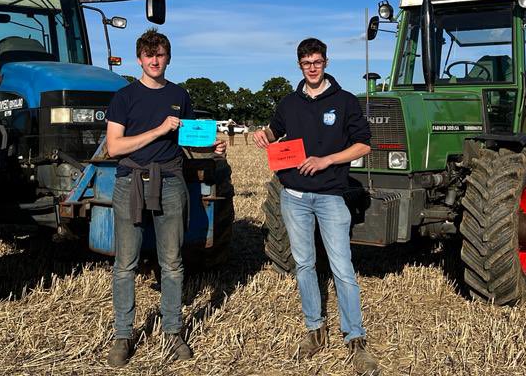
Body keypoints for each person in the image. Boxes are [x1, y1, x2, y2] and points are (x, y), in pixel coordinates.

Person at [252, 37, 378, 375]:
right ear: (299, 65)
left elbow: (364, 145)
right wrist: (263, 135)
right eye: (306, 62)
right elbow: (274, 131)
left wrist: (327, 160)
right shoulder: (289, 103)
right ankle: (315, 329)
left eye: (317, 61)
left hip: (331, 196)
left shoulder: (345, 101)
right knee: (305, 265)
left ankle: (355, 337)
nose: (312, 67)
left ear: (325, 62)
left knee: (342, 268)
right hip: (293, 196)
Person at [104, 28, 227, 367]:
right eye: (149, 55)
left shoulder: (179, 95)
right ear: (139, 59)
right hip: (130, 181)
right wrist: (158, 129)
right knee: (125, 264)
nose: (154, 61)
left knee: (171, 262)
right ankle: (123, 335)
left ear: (168, 58)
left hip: (171, 181)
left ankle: (173, 332)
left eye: (160, 55)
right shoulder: (124, 97)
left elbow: (188, 138)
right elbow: (114, 147)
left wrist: (212, 145)